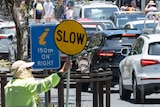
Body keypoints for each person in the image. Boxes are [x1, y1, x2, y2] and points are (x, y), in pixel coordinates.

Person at [5, 60, 72, 107]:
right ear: (22, 71)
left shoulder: (8, 86)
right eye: (28, 68)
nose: (30, 70)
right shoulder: (25, 85)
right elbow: (44, 84)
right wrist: (62, 72)